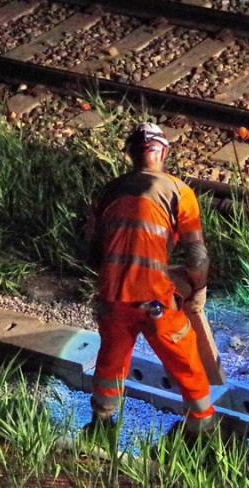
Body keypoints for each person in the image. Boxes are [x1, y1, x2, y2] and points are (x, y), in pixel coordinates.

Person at [85, 122, 215, 435]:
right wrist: (197, 288)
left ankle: (101, 426)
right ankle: (202, 429)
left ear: (130, 154)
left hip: (114, 298)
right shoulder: (179, 192)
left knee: (110, 362)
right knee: (186, 360)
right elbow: (197, 257)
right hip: (156, 299)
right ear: (164, 152)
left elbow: (92, 251)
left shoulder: (109, 191)